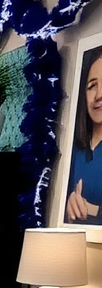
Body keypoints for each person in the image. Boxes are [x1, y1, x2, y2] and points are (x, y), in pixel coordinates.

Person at [65, 46, 102, 224]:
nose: (99, 95)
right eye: (92, 86)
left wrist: (93, 209)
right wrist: (69, 206)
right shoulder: (70, 150)